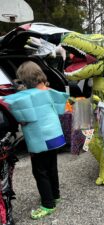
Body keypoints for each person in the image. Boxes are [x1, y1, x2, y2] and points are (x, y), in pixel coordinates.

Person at [3, 61, 68, 219]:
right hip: (55, 136)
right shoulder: (50, 91)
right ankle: (55, 195)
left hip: (41, 139)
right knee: (51, 167)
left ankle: (47, 204)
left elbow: (19, 115)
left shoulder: (27, 96)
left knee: (40, 171)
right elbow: (61, 106)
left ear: (25, 78)